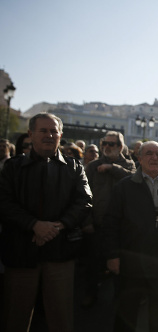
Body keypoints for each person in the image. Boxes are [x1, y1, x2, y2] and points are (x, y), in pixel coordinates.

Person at [0, 113, 92, 331]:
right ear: (31, 134)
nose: (49, 135)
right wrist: (33, 225)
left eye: (54, 131)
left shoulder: (74, 167)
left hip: (60, 254)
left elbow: (85, 201)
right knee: (16, 317)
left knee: (60, 318)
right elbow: (4, 202)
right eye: (43, 130)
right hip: (21, 254)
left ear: (60, 135)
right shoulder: (13, 167)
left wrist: (57, 226)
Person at [103, 141, 158, 332]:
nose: (154, 158)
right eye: (149, 154)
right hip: (132, 260)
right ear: (139, 158)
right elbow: (111, 223)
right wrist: (112, 255)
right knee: (126, 313)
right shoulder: (124, 187)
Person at [82, 131, 136, 308]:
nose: (106, 147)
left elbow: (133, 180)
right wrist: (87, 221)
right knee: (93, 263)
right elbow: (83, 196)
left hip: (122, 227)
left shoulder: (129, 164)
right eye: (104, 143)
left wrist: (113, 169)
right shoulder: (93, 166)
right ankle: (91, 294)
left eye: (111, 144)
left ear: (120, 147)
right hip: (98, 223)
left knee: (120, 267)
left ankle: (120, 301)